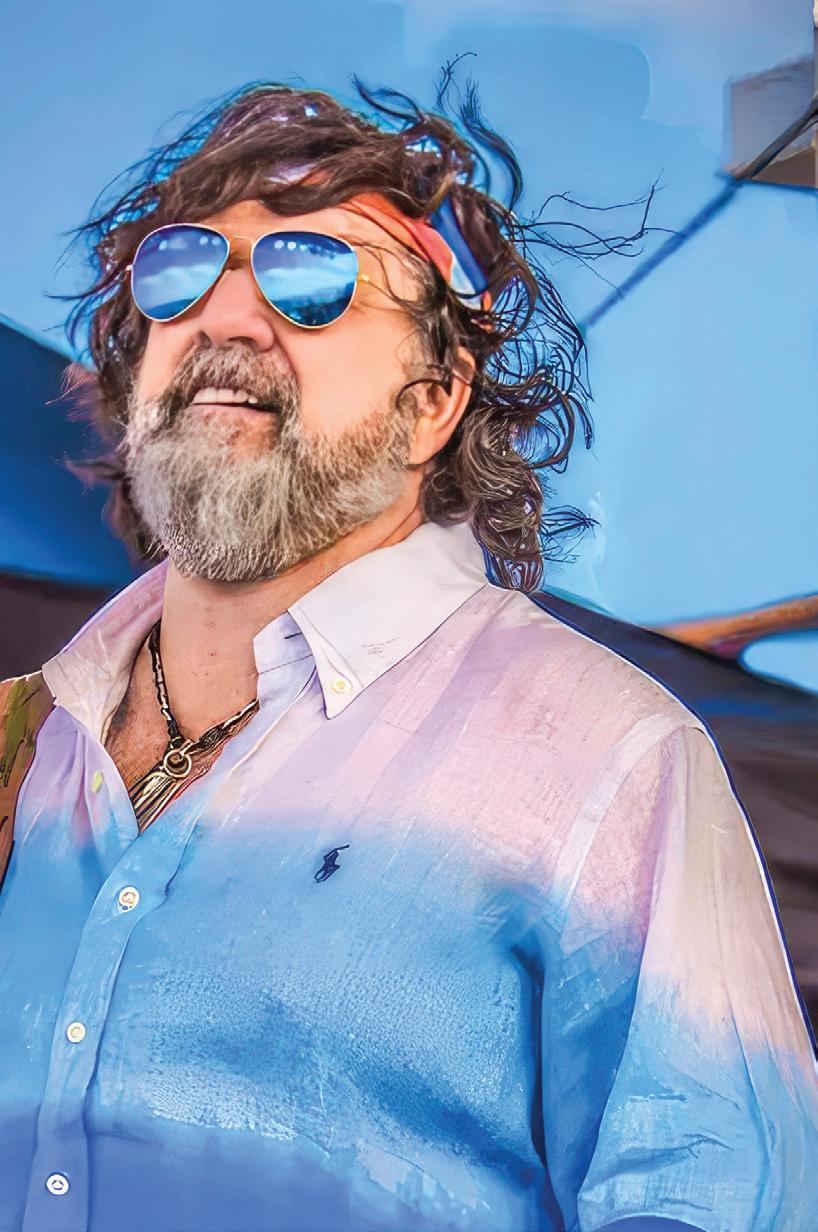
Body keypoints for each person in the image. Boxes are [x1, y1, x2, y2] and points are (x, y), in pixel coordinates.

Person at [0, 77, 815, 1232]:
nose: (227, 317)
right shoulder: (23, 740)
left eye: (310, 278)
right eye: (180, 270)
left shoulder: (609, 755)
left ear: (432, 401)